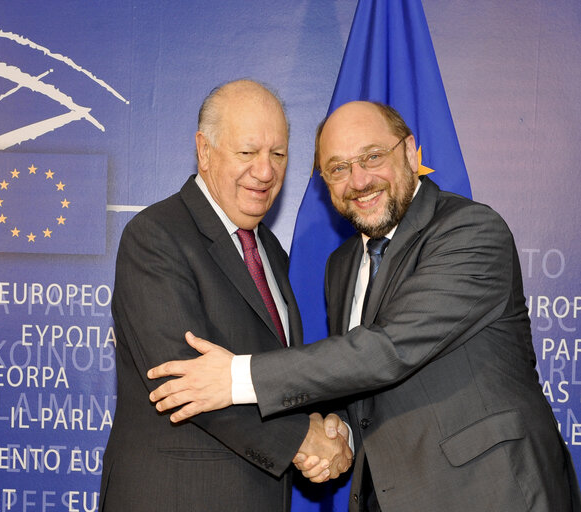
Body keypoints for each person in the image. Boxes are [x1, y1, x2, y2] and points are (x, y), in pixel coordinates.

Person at [147, 100, 581, 512]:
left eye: (372, 157)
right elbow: (358, 386)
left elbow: (388, 350)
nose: (358, 180)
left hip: (490, 494)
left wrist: (235, 378)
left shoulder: (470, 231)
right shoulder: (343, 265)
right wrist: (341, 436)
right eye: (337, 168)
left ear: (410, 153)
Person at [99, 80, 352, 512]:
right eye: (247, 152)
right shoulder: (155, 235)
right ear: (204, 150)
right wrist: (300, 437)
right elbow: (182, 379)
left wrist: (333, 425)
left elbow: (279, 374)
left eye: (278, 154)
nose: (266, 171)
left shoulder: (269, 249)